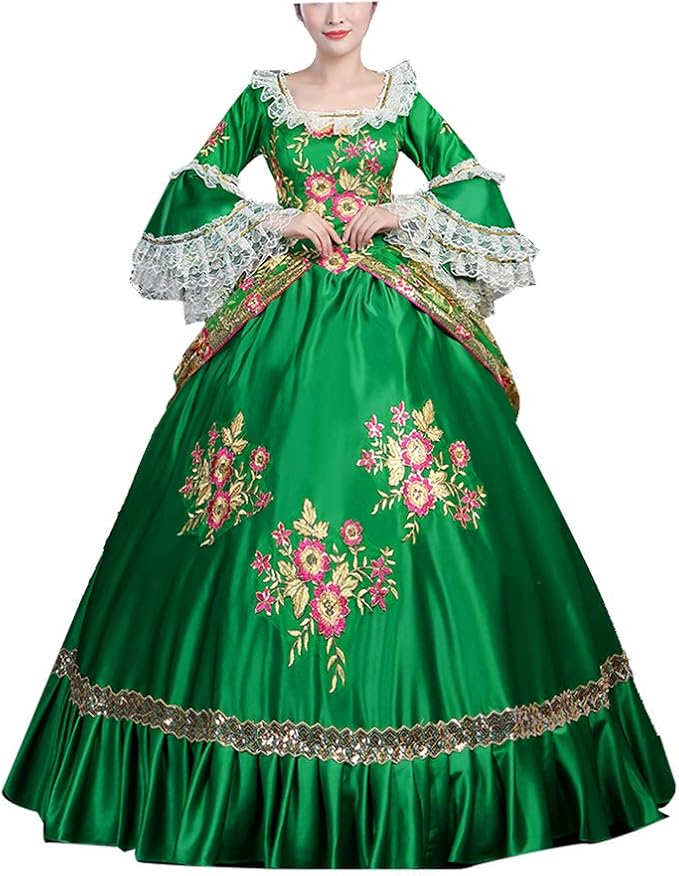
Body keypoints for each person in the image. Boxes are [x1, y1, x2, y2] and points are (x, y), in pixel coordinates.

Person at [2, 1, 675, 868]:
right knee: (237, 502)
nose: (332, 12)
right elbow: (192, 188)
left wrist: (403, 213)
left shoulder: (402, 99)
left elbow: (474, 185)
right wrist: (272, 221)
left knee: (431, 502)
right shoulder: (263, 97)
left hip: (392, 327)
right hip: (280, 329)